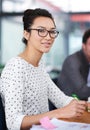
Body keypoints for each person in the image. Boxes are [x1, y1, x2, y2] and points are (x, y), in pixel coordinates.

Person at [0, 8, 87, 130]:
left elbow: (60, 99)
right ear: (26, 33)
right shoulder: (15, 67)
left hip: (45, 127)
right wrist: (57, 113)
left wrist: (83, 105)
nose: (48, 37)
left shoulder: (39, 64)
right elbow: (13, 123)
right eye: (41, 31)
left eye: (52, 31)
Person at [57, 29, 90, 101]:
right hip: (65, 105)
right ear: (83, 46)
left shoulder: (87, 60)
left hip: (80, 102)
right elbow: (82, 91)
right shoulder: (72, 61)